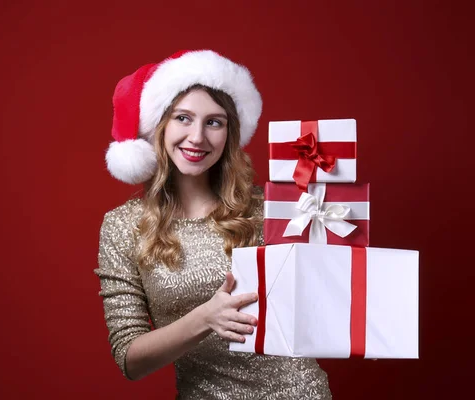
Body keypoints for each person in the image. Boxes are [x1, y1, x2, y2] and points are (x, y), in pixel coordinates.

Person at [94, 50, 332, 399]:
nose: (197, 137)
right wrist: (205, 318)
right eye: (183, 118)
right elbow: (129, 359)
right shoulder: (122, 227)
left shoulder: (272, 209)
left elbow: (322, 300)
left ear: (229, 133)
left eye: (214, 122)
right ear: (159, 126)